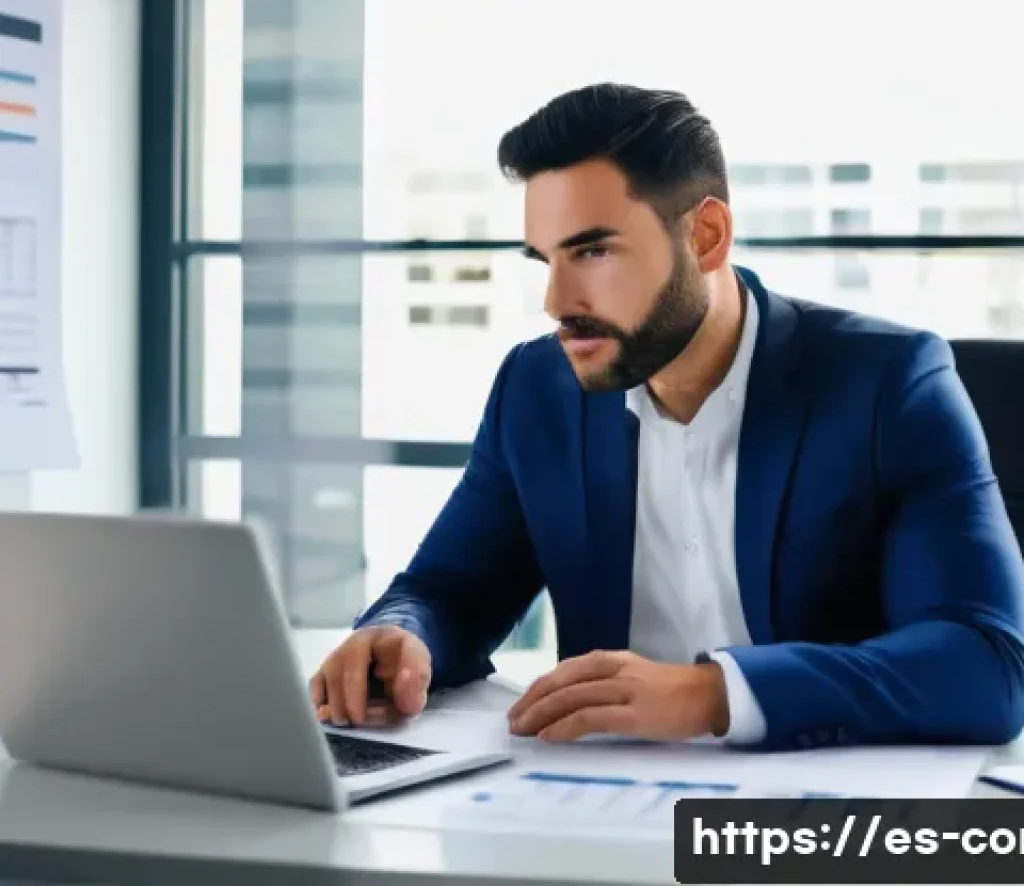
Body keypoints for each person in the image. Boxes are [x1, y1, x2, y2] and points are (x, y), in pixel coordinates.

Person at [309, 83, 1024, 750]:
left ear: (706, 236)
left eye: (592, 250)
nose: (557, 299)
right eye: (545, 260)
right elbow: (449, 588)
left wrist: (713, 695)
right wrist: (403, 638)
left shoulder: (887, 383)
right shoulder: (538, 387)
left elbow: (984, 662)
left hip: (819, 825)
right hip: (587, 798)